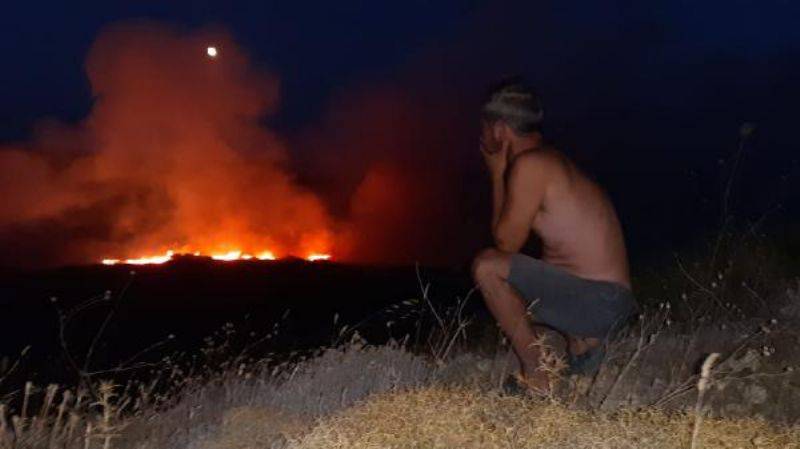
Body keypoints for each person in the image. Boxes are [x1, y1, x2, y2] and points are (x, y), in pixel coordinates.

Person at [471, 79, 637, 394]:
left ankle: (538, 377)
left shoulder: (531, 165)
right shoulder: (551, 162)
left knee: (487, 267)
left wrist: (495, 175)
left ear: (499, 130)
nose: (481, 136)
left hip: (602, 302)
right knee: (520, 288)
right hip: (608, 302)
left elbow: (505, 244)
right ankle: (584, 345)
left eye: (484, 127)